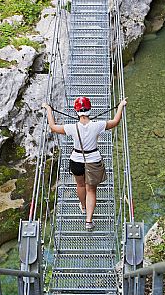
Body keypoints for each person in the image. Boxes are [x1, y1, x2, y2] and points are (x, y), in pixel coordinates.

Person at [42, 97, 127, 230]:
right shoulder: (98, 125)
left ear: (76, 111)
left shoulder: (71, 127)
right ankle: (88, 221)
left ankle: (83, 206)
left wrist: (48, 109)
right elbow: (115, 121)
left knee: (80, 185)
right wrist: (120, 105)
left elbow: (52, 127)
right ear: (90, 110)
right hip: (93, 160)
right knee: (91, 190)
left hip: (76, 160)